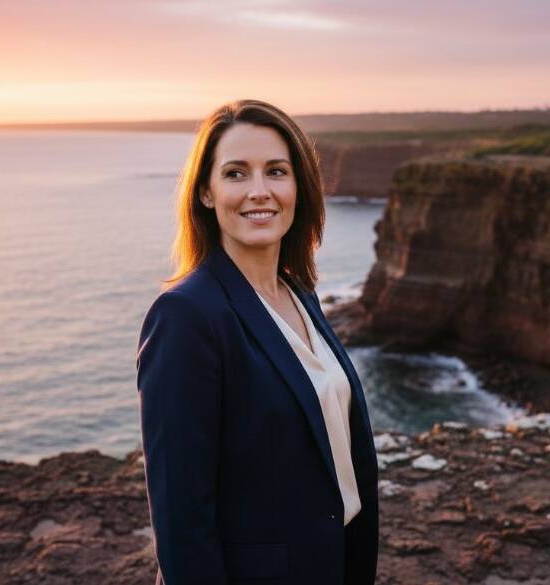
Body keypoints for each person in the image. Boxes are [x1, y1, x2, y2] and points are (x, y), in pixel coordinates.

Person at [136, 99, 379, 585]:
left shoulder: (299, 292)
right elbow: (181, 516)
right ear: (205, 192)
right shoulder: (187, 315)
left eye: (276, 171)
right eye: (235, 174)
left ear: (298, 186)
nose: (259, 192)